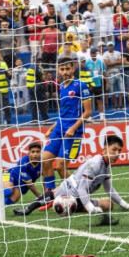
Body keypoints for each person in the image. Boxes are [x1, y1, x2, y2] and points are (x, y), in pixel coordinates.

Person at [38, 58, 92, 203]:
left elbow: (88, 112)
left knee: (61, 166)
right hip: (59, 130)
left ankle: (75, 195)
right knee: (45, 160)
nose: (64, 72)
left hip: (73, 132)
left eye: (67, 69)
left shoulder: (81, 85)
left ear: (73, 68)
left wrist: (73, 128)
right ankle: (49, 196)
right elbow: (62, 114)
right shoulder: (61, 86)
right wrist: (50, 129)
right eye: (62, 69)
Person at [49, 135, 129, 216]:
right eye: (114, 149)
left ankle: (77, 205)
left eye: (119, 151)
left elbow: (109, 189)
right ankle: (77, 206)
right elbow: (81, 189)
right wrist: (90, 208)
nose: (117, 154)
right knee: (107, 204)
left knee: (109, 204)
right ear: (105, 149)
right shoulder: (96, 163)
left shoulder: (106, 165)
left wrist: (125, 205)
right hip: (74, 196)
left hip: (77, 197)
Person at [0, 142, 43, 209]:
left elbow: (46, 177)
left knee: (12, 201)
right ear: (29, 153)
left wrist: (46, 193)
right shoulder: (23, 162)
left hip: (20, 182)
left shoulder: (43, 163)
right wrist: (40, 196)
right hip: (8, 173)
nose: (35, 154)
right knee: (8, 191)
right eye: (33, 152)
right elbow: (30, 184)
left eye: (37, 151)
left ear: (41, 153)